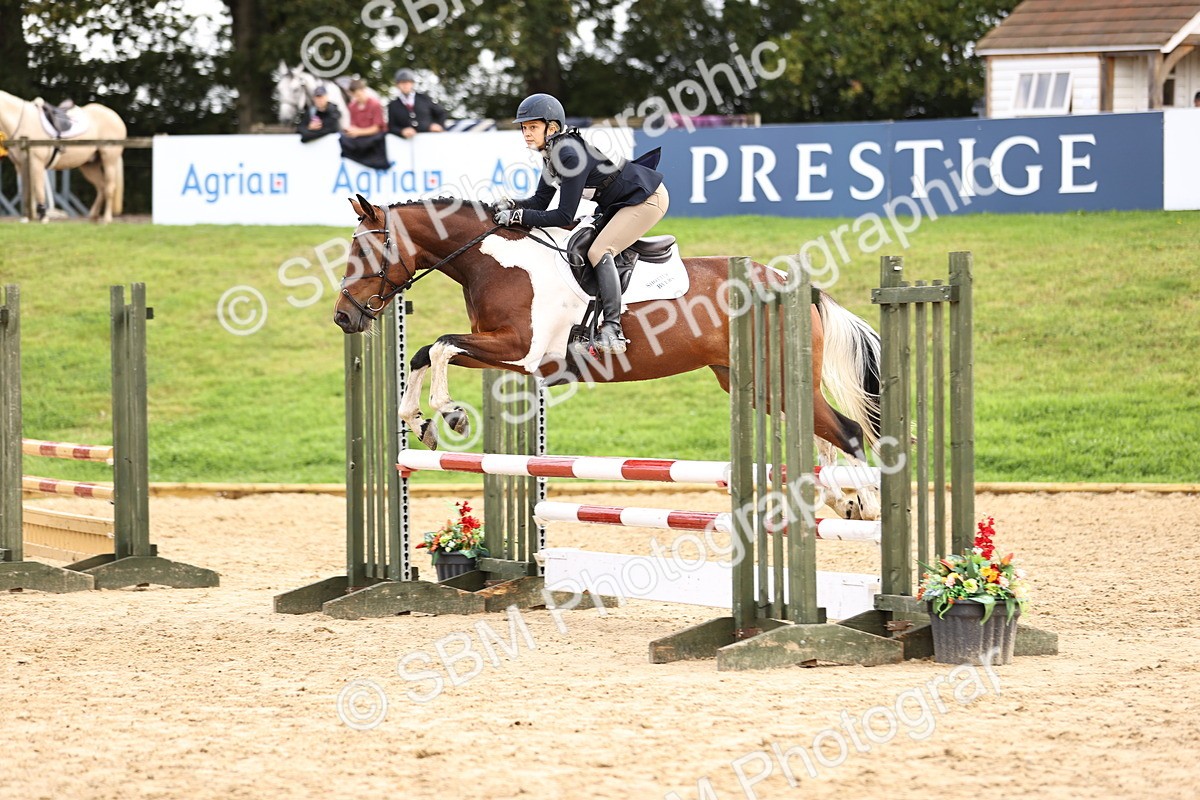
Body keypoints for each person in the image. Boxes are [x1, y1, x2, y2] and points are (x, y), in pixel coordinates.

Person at [493, 93, 668, 355]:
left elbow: (563, 216)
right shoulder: (552, 152)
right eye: (524, 128)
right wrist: (512, 205)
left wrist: (518, 217)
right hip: (620, 202)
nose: (526, 133)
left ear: (551, 128)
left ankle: (612, 328)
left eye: (532, 127)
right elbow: (540, 202)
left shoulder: (568, 154)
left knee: (599, 250)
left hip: (647, 200)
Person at [339, 78, 391, 170]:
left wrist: (358, 132)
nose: (357, 98)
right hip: (360, 138)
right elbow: (353, 126)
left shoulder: (375, 104)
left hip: (374, 138)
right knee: (343, 138)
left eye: (358, 95)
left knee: (377, 138)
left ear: (364, 90)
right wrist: (350, 131)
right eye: (354, 96)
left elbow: (376, 128)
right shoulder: (352, 106)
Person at [387, 69, 447, 138]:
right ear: (397, 85)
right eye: (402, 82)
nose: (405, 85)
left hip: (430, 138)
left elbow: (441, 113)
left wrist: (438, 125)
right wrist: (401, 131)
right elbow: (392, 127)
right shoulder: (393, 105)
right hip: (407, 143)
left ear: (412, 84)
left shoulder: (424, 98)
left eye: (408, 82)